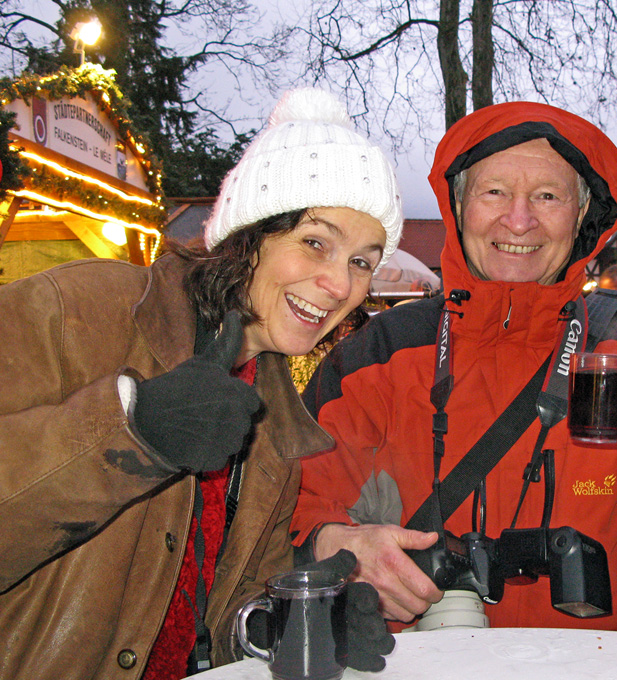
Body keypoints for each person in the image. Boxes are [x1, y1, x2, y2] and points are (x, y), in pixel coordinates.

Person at [292, 101, 617, 635]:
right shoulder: (381, 352)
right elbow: (286, 509)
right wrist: (335, 545)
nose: (519, 219)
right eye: (494, 192)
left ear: (583, 217)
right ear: (459, 205)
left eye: (547, 196)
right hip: (414, 668)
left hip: (598, 670)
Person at [0, 87, 400, 679]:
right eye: (315, 242)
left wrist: (296, 619)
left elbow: (215, 618)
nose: (340, 285)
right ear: (248, 235)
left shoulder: (275, 422)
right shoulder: (72, 311)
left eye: (362, 262)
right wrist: (132, 429)